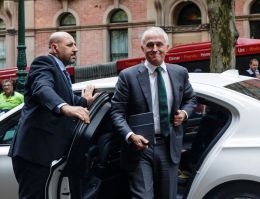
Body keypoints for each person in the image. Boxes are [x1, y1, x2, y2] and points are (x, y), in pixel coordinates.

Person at [8, 31, 99, 199]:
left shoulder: (61, 71)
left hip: (45, 154)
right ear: (54, 48)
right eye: (70, 45)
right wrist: (64, 107)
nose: (76, 49)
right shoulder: (43, 63)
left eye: (75, 45)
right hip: (33, 153)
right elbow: (42, 89)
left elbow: (69, 99)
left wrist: (84, 101)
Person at [111, 27, 197, 199]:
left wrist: (185, 114)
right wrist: (130, 136)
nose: (155, 49)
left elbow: (191, 100)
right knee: (143, 196)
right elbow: (117, 112)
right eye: (150, 45)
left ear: (167, 46)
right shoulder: (128, 76)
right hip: (140, 148)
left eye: (159, 44)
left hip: (169, 145)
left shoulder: (180, 73)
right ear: (142, 49)